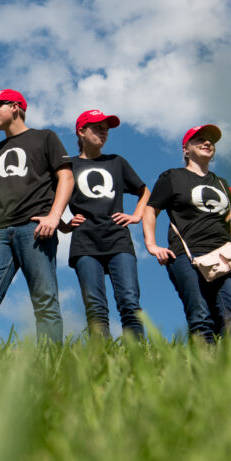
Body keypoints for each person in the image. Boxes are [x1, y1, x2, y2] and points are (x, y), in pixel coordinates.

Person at [0, 89, 73, 347]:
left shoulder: (45, 138)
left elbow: (66, 177)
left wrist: (54, 216)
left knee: (44, 299)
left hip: (35, 228)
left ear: (15, 107)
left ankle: (50, 362)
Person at [143, 124, 231, 343]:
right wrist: (151, 245)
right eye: (200, 139)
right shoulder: (172, 177)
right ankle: (203, 370)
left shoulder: (221, 183)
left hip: (224, 255)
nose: (207, 143)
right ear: (185, 149)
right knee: (201, 318)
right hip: (187, 254)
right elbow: (151, 210)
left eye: (211, 141)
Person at [58, 109, 149, 338]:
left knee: (129, 302)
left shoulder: (116, 162)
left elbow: (144, 190)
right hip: (84, 241)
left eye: (105, 129)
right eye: (97, 127)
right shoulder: (67, 166)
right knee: (95, 308)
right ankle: (102, 360)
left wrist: (136, 215)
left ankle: (138, 359)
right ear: (81, 131)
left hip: (118, 239)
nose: (103, 132)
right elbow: (46, 200)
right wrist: (63, 225)